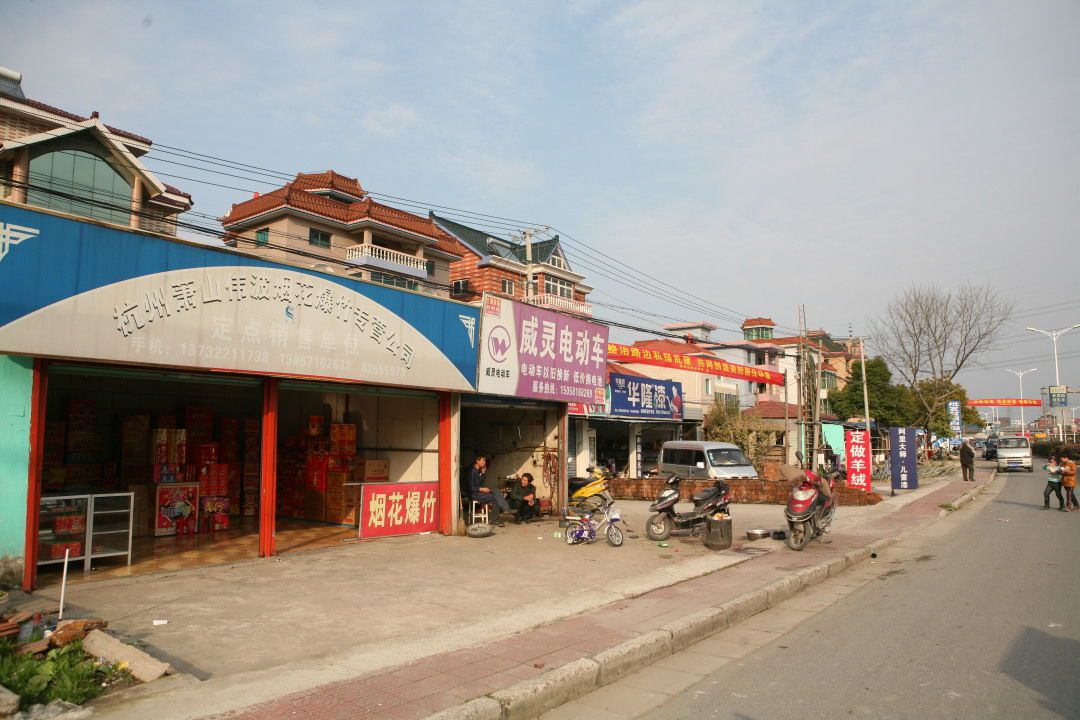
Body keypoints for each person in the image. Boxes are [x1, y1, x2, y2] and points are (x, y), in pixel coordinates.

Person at [467, 455, 509, 525]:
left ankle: (506, 508)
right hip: (473, 494)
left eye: (485, 461)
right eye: (483, 460)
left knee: (496, 490)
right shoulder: (471, 471)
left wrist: (483, 473)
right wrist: (482, 489)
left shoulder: (477, 470)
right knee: (495, 498)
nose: (484, 462)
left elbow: (480, 483)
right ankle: (495, 519)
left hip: (478, 492)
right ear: (477, 461)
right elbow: (471, 487)